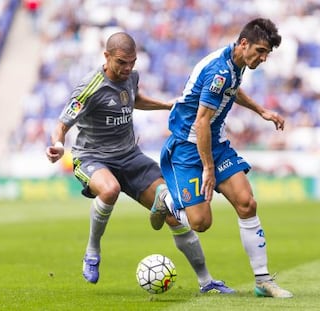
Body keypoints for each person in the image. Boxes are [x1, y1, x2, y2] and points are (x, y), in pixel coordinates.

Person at [45, 31, 234, 294]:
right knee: (109, 190)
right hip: (93, 157)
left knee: (173, 214)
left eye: (132, 62)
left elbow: (134, 99)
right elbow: (62, 123)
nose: (127, 68)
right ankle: (92, 250)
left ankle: (206, 282)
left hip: (130, 157)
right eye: (121, 62)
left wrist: (166, 106)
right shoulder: (90, 86)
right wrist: (57, 144)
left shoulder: (131, 77)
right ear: (106, 56)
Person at [151, 18, 293, 298]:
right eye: (261, 51)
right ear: (244, 43)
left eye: (266, 54)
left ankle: (263, 281)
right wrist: (208, 169)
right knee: (201, 223)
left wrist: (261, 110)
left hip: (214, 143)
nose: (263, 58)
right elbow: (201, 121)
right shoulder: (219, 71)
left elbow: (232, 90)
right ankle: (165, 199)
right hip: (188, 147)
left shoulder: (235, 64)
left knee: (246, 202)